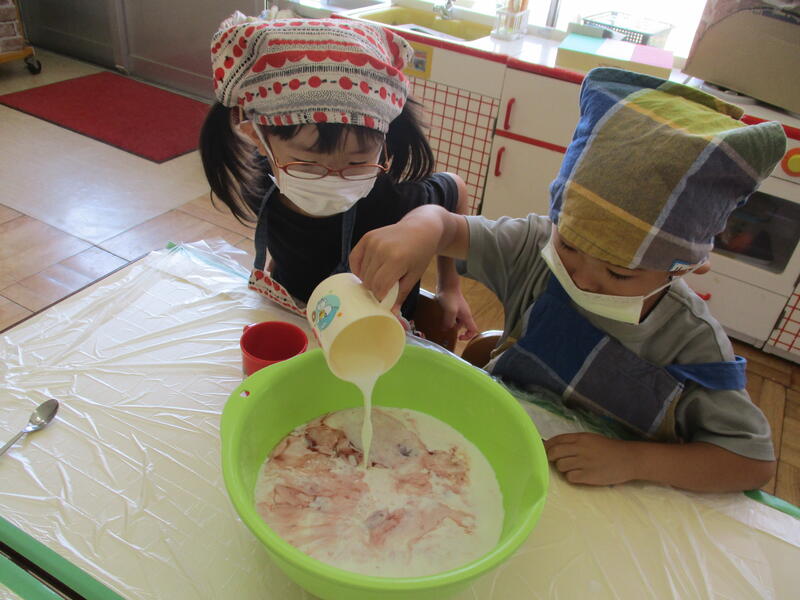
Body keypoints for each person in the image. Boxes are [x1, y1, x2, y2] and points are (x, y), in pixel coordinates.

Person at [350, 67, 788, 493]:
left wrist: (634, 460)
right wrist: (420, 228)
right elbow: (446, 226)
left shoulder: (692, 341)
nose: (582, 278)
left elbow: (750, 463)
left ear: (685, 266)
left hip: (612, 495)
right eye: (570, 246)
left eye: (618, 272)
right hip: (500, 462)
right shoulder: (536, 248)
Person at [199, 12, 477, 337]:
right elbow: (294, 244)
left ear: (383, 143)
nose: (334, 178)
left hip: (375, 339)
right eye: (306, 164)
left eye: (357, 162)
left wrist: (449, 287)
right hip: (297, 325)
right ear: (257, 138)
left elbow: (456, 189)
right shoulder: (261, 182)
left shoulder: (392, 202)